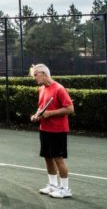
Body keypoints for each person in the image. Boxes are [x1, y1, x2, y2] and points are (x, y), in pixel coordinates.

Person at [30, 63, 74, 199]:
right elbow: (41, 107)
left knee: (58, 159)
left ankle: (65, 189)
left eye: (36, 75)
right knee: (48, 158)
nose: (35, 78)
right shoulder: (42, 89)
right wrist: (36, 115)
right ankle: (53, 185)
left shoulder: (59, 89)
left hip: (58, 130)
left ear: (44, 74)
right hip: (45, 129)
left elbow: (70, 109)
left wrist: (50, 113)